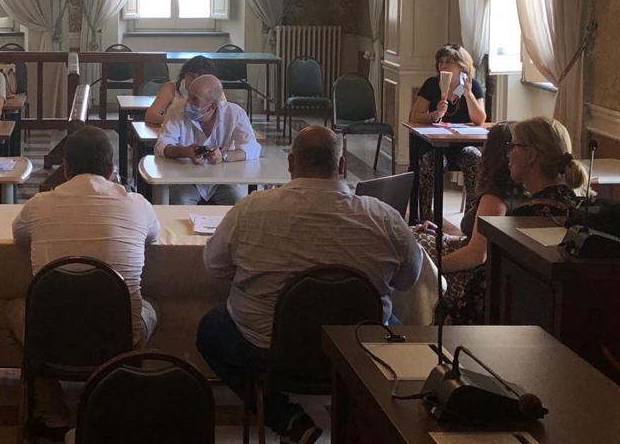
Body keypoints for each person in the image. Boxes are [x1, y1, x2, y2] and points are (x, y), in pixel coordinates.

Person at [198, 126, 422, 444]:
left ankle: (283, 415)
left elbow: (214, 265)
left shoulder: (250, 209)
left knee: (210, 329)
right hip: (358, 348)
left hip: (270, 350)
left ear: (290, 163)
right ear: (342, 165)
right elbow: (408, 280)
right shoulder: (384, 217)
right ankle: (366, 416)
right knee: (398, 328)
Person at [10, 125, 160, 440]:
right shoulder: (138, 205)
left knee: (15, 310)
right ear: (111, 170)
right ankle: (117, 400)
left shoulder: (38, 205)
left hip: (50, 337)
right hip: (120, 337)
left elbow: (19, 237)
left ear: (65, 168)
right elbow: (152, 236)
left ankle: (53, 415)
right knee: (148, 308)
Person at [419, 117, 584, 324]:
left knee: (414, 260)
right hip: (537, 307)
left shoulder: (526, 217)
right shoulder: (571, 203)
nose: (508, 154)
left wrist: (431, 270)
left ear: (530, 155)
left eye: (513, 147)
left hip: (504, 310)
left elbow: (487, 274)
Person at [408, 44, 487, 221]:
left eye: (448, 62)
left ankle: (470, 220)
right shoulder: (431, 84)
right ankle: (426, 218)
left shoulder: (472, 86)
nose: (443, 65)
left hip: (462, 145)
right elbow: (415, 116)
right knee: (429, 161)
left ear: (461, 66)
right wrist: (435, 114)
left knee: (474, 157)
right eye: (440, 61)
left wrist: (468, 95)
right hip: (435, 145)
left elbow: (480, 120)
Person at [153, 74, 260, 205]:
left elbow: (252, 148)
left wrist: (224, 156)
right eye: (188, 96)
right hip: (186, 178)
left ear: (211, 106)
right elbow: (161, 145)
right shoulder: (177, 110)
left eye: (194, 100)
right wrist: (186, 152)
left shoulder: (234, 113)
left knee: (237, 202)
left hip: (223, 180)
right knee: (181, 200)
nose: (188, 103)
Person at [144, 55, 220, 126]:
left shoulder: (214, 90)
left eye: (200, 78)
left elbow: (221, 118)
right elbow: (150, 116)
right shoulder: (171, 87)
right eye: (191, 76)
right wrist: (177, 122)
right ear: (184, 75)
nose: (194, 81)